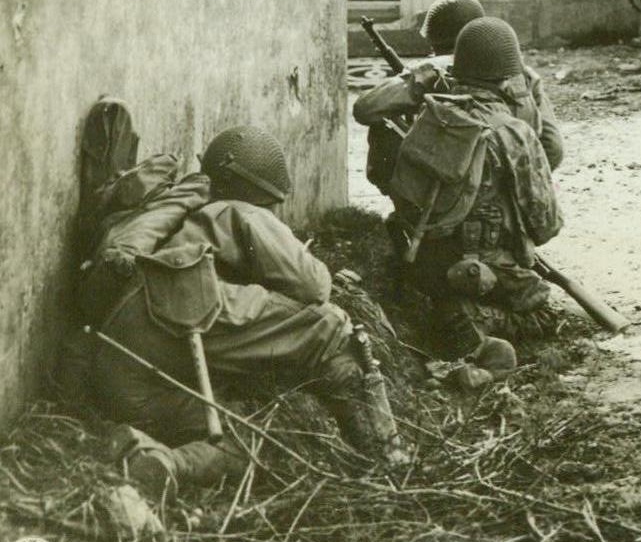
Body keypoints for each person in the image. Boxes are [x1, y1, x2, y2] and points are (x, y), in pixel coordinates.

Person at [81, 123, 403, 497]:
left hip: (125, 379)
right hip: (170, 318)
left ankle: (165, 462)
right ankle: (384, 458)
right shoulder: (237, 212)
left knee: (252, 430)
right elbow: (315, 286)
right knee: (329, 327)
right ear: (259, 190)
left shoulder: (174, 214)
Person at [391, 17, 563, 362]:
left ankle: (443, 302)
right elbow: (546, 224)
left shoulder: (432, 115)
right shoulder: (515, 132)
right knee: (545, 313)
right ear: (507, 76)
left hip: (422, 255)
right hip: (480, 266)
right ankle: (471, 319)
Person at [353, 0, 563, 193]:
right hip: (516, 191)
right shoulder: (523, 74)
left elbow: (364, 109)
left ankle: (409, 209)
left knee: (384, 124)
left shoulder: (432, 70)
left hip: (448, 194)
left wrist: (413, 93)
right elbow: (553, 147)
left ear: (434, 38)